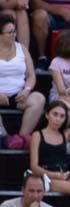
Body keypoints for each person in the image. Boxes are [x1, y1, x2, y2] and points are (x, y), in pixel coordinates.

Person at [0, 13, 44, 144]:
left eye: (15, 31)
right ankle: (3, 137)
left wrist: (27, 90)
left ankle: (20, 138)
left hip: (18, 96)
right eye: (10, 32)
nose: (14, 34)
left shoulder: (22, 48)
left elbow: (31, 75)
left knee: (39, 99)